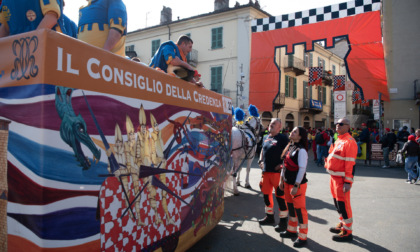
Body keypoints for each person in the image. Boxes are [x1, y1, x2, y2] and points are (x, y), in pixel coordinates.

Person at [324, 117, 357, 242]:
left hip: (341, 180)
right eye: (336, 124)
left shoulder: (349, 141)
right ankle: (342, 224)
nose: (338, 125)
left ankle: (347, 232)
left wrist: (348, 182)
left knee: (343, 205)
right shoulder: (339, 140)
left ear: (348, 126)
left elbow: (350, 164)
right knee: (337, 204)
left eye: (341, 124)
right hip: (333, 178)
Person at [279, 127, 309, 248]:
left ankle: (302, 237)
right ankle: (291, 230)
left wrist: (296, 185)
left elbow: (302, 169)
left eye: (295, 132)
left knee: (300, 211)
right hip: (287, 183)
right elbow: (284, 165)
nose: (292, 132)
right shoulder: (290, 146)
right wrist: (282, 179)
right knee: (290, 208)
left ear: (300, 136)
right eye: (292, 131)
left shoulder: (301, 150)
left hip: (297, 185)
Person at [258, 118, 289, 232]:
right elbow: (262, 150)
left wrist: (281, 165)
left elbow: (288, 153)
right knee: (266, 195)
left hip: (277, 174)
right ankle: (270, 217)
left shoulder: (283, 138)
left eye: (274, 124)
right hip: (266, 172)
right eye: (270, 123)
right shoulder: (266, 137)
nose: (271, 125)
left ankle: (283, 222)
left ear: (279, 127)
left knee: (280, 197)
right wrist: (260, 161)